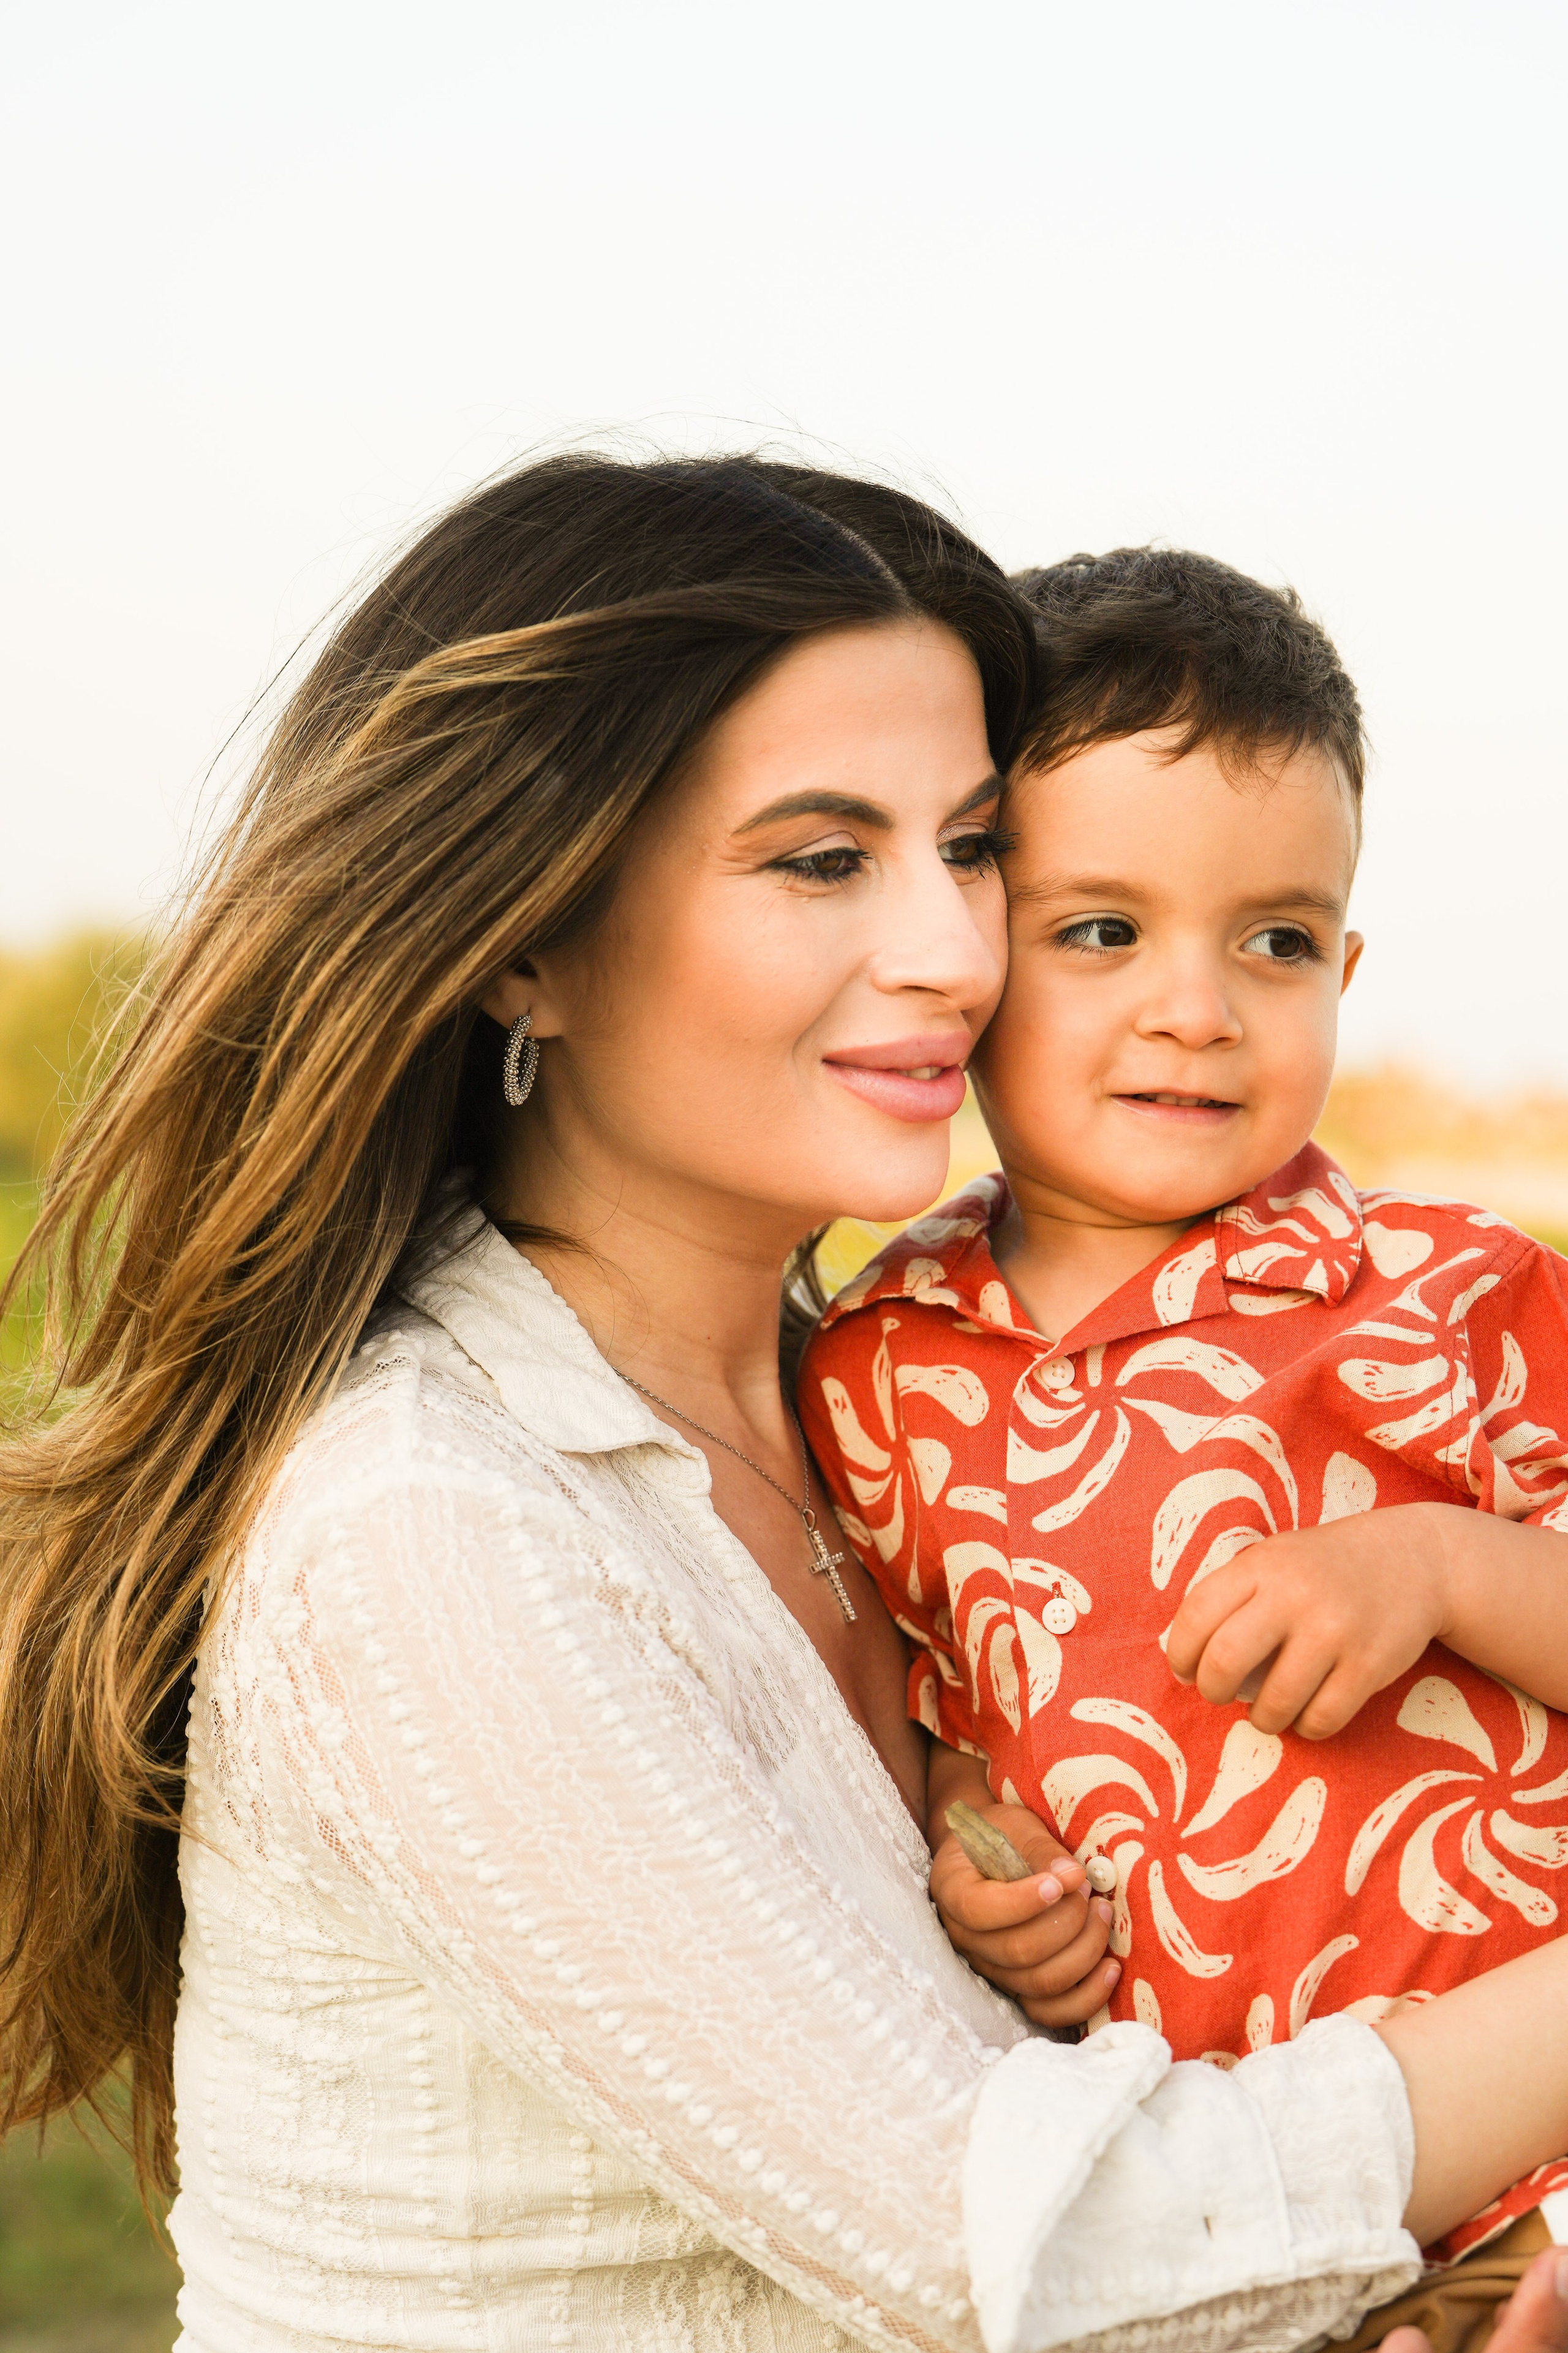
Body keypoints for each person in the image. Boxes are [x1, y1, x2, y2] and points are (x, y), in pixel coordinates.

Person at [2, 464, 1568, 2353]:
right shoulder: (429, 1514)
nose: (958, 950)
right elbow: (1037, 2256)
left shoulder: (883, 1410)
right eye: (824, 858)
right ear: (527, 940)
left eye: (972, 848)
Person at [798, 546, 1568, 2341]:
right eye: (1102, 931)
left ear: (1345, 966)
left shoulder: (1458, 1295)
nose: (1199, 1008)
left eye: (1277, 941)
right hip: (1229, 2220)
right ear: (972, 952)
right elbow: (943, 1728)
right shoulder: (875, 1368)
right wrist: (981, 1866)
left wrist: (1443, 1565)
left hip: (1537, 2151)